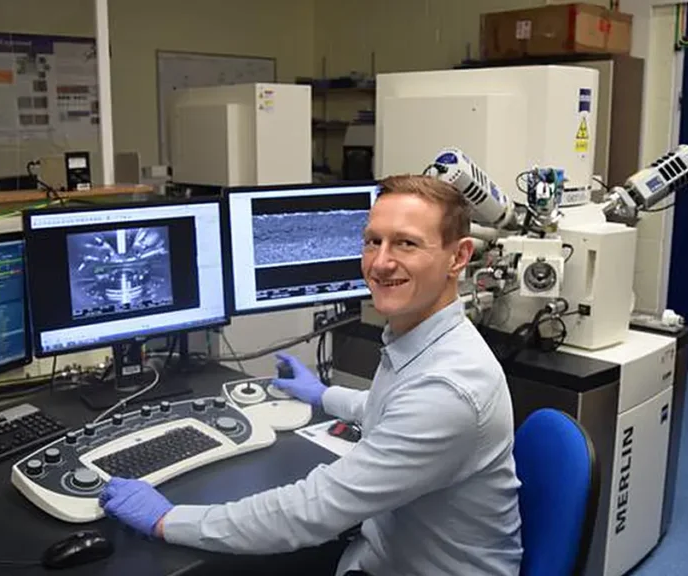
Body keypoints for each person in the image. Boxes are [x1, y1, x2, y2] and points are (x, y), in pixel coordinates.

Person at [98, 175, 523, 576]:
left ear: (460, 256)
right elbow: (389, 408)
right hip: (386, 552)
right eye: (373, 241)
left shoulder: (448, 390)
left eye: (406, 244)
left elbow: (310, 512)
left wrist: (168, 519)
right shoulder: (425, 340)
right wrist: (322, 395)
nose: (380, 262)